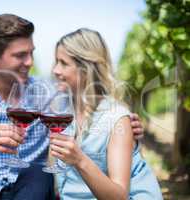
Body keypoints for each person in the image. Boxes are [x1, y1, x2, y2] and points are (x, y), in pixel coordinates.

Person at [0, 14, 144, 200]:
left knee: (38, 171)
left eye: (31, 53)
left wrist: (123, 123)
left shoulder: (51, 93)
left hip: (29, 192)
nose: (29, 62)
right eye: (20, 55)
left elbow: (91, 105)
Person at [49, 28, 163, 199]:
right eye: (56, 62)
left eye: (64, 63)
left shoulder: (116, 118)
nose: (55, 70)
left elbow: (119, 196)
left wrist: (80, 160)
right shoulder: (61, 109)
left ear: (86, 69)